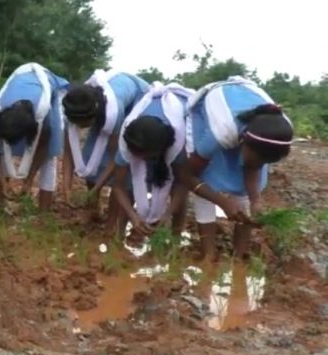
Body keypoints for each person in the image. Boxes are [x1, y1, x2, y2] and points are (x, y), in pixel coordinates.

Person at [183, 77, 293, 258]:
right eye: (256, 160)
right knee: (206, 177)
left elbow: (253, 167)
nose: (257, 165)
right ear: (243, 141)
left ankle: (240, 254)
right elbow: (188, 175)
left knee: (243, 189)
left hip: (247, 122)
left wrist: (255, 200)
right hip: (213, 105)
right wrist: (222, 201)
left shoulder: (279, 132)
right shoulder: (219, 133)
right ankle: (208, 255)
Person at [62, 70, 149, 231]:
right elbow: (68, 153)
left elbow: (115, 158)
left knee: (125, 169)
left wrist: (97, 186)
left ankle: (113, 224)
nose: (80, 128)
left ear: (93, 117)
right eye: (78, 125)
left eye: (84, 124)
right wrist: (66, 187)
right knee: (89, 158)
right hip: (102, 105)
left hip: (138, 99)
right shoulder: (72, 108)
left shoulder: (114, 113)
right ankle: (93, 209)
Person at [113, 83, 194, 240]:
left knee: (175, 183)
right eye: (137, 155)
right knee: (131, 184)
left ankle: (174, 239)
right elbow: (118, 186)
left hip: (170, 132)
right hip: (148, 139)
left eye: (145, 156)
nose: (142, 159)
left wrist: (167, 214)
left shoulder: (177, 144)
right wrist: (133, 215)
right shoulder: (128, 141)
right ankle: (119, 236)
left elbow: (183, 184)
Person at [0, 63, 69, 212]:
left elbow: (43, 148)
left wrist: (29, 180)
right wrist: (1, 179)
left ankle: (44, 213)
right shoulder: (0, 111)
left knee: (50, 155)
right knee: (2, 150)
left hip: (47, 87)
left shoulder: (43, 115)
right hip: (21, 77)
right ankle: (0, 207)